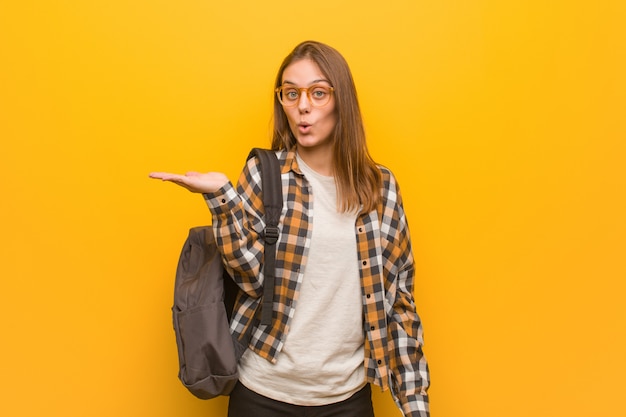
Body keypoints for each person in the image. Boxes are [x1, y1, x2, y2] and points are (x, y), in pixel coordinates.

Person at [150, 40, 430, 417]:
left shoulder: (381, 188)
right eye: (291, 93)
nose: (302, 106)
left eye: (318, 93)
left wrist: (415, 406)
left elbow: (399, 304)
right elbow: (252, 280)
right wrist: (222, 198)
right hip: (263, 393)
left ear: (341, 100)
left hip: (347, 399)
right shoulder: (265, 174)